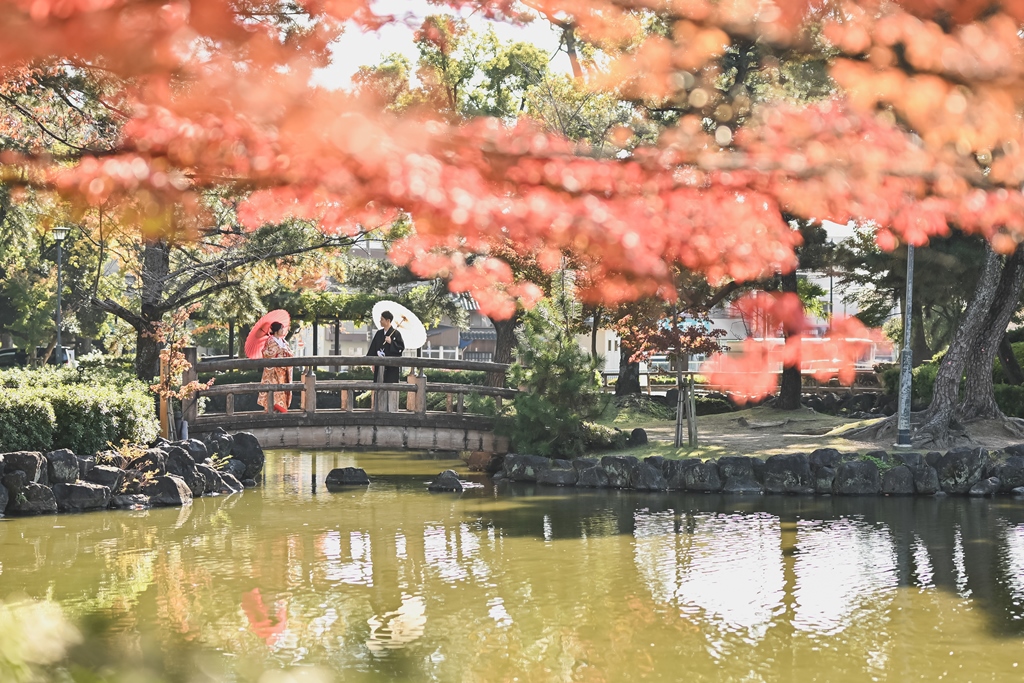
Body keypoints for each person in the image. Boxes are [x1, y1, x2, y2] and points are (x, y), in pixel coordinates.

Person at [367, 311, 405, 411]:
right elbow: (373, 348)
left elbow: (400, 349)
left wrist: (391, 342)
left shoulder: (396, 334)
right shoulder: (379, 334)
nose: (380, 321)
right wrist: (373, 362)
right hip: (379, 365)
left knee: (390, 386)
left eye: (382, 319)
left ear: (388, 321)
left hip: (391, 367)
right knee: (378, 386)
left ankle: (391, 409)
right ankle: (378, 408)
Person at [257, 321, 293, 413]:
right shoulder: (270, 340)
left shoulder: (283, 341)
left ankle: (282, 408)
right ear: (276, 330)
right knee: (274, 390)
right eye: (281, 328)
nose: (282, 330)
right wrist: (277, 351)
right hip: (273, 371)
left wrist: (286, 352)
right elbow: (266, 353)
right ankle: (273, 408)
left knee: (283, 390)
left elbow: (290, 353)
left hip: (283, 370)